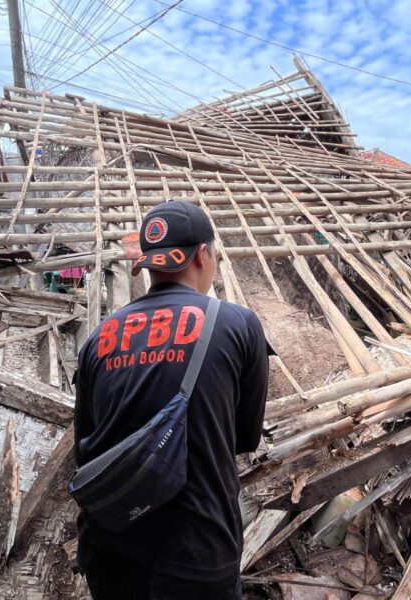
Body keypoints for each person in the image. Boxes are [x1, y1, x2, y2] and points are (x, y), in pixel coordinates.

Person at [73, 200, 270, 600]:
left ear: (148, 263)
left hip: (110, 548)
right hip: (198, 548)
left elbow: (86, 449)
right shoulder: (239, 325)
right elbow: (245, 438)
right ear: (203, 254)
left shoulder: (97, 340)